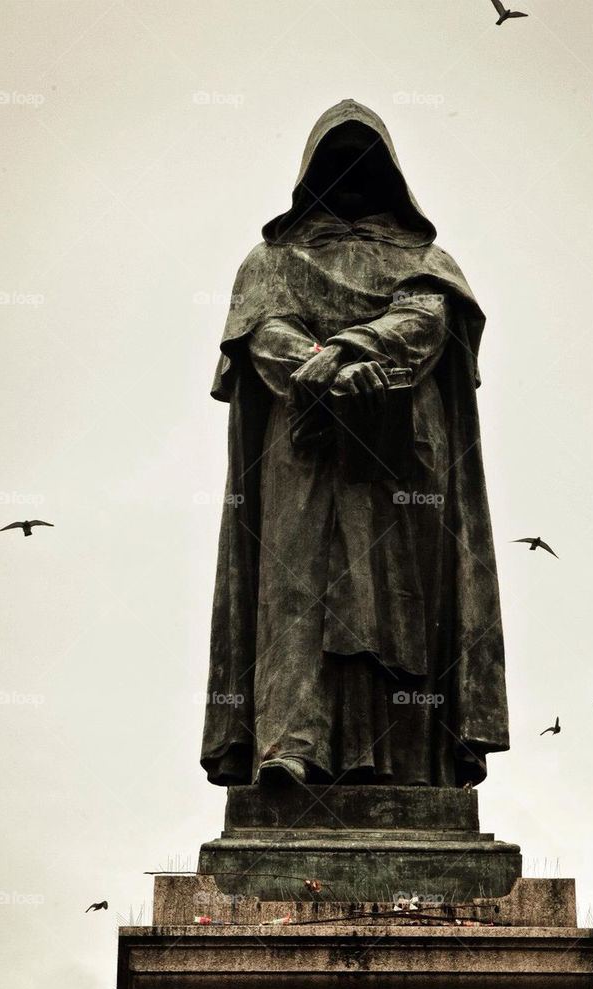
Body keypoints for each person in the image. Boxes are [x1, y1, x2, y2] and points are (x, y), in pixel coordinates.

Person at [201, 100, 508, 788]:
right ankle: (290, 744)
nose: (349, 178)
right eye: (334, 163)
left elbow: (425, 319)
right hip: (303, 447)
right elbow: (262, 336)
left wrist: (348, 349)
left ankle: (408, 761)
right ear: (310, 172)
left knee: (399, 598)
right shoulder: (271, 260)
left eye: (363, 163)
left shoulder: (427, 261)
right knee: (296, 589)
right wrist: (328, 369)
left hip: (403, 450)